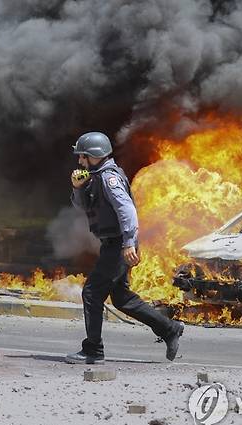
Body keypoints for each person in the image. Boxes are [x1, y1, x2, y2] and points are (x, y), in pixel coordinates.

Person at [66, 131, 185, 364]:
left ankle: (93, 350)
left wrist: (129, 243)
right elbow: (82, 207)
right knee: (121, 299)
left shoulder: (109, 178)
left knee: (91, 293)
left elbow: (127, 210)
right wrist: (77, 187)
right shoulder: (95, 176)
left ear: (96, 155)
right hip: (112, 244)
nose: (80, 161)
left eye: (83, 156)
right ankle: (169, 329)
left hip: (119, 244)